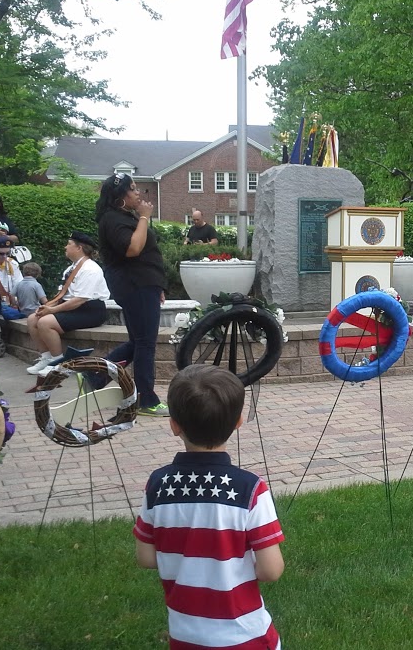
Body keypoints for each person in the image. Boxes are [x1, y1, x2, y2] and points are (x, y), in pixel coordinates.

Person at [133, 364, 285, 649]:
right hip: (246, 637)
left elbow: (146, 557)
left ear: (174, 425)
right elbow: (272, 569)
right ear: (238, 422)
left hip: (185, 636)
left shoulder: (158, 484)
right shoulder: (250, 489)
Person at [95, 173, 169, 416]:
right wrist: (145, 217)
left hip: (143, 285)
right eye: (133, 189)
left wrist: (157, 285)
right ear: (120, 195)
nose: (138, 192)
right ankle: (146, 400)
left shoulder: (124, 217)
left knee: (138, 341)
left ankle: (94, 376)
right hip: (134, 285)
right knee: (145, 343)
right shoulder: (113, 219)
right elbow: (133, 249)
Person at [25, 232, 111, 375]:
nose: (65, 247)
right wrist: (47, 307)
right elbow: (63, 295)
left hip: (90, 310)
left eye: (69, 244)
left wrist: (52, 311)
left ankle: (58, 363)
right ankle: (46, 358)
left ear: (79, 248)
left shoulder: (91, 269)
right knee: (32, 319)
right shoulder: (71, 268)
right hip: (73, 307)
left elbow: (80, 299)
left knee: (45, 322)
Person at [0, 236, 24, 307]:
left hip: (10, 303)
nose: (5, 256)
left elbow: (19, 285)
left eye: (7, 253)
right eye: (1, 253)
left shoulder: (13, 264)